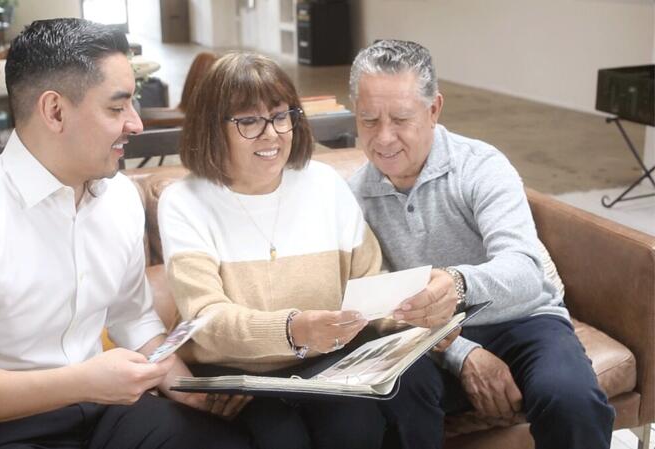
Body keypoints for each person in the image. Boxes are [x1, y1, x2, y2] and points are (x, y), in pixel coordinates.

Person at [0, 18, 249, 449]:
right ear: (55, 111)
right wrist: (83, 381)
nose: (136, 124)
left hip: (100, 411)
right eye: (117, 108)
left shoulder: (119, 197)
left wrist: (184, 388)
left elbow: (132, 316)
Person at [347, 39, 615, 449]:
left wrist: (456, 284)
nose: (384, 138)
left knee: (571, 400)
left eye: (401, 119)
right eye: (368, 120)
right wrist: (462, 352)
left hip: (524, 320)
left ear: (434, 109)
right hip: (431, 340)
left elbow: (525, 270)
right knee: (396, 392)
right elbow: (380, 309)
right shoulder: (354, 197)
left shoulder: (481, 166)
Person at [158, 52, 390, 449]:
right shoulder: (184, 201)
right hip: (237, 375)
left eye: (281, 116)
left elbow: (370, 282)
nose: (272, 134)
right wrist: (292, 330)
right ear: (212, 128)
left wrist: (407, 317)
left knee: (358, 428)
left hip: (327, 363)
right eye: (249, 121)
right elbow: (206, 319)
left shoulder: (325, 184)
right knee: (280, 438)